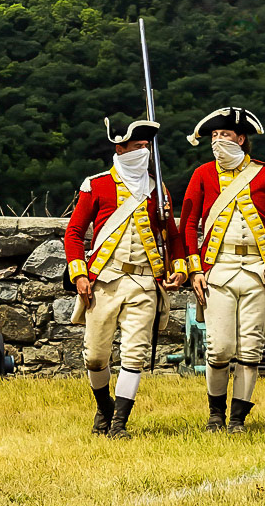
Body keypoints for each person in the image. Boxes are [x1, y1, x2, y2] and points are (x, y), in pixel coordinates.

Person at [64, 115, 187, 439]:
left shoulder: (158, 190)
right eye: (137, 146)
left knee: (135, 353)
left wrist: (178, 267)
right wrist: (79, 274)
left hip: (146, 282)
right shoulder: (97, 185)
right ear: (121, 148)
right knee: (95, 356)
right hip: (104, 280)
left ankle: (119, 423)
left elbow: (172, 236)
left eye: (146, 146)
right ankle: (104, 409)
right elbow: (75, 232)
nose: (143, 151)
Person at [179, 106, 265, 433]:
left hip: (259, 271)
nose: (217, 141)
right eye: (214, 136)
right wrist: (194, 269)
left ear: (241, 139)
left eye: (224, 135)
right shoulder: (202, 174)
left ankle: (237, 419)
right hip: (218, 270)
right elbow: (188, 223)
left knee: (251, 347)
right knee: (219, 348)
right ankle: (215, 413)